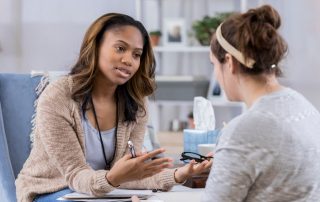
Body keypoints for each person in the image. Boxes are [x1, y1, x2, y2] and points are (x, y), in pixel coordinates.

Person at [15, 13, 212, 202]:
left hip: (105, 192)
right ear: (96, 47)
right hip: (51, 190)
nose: (129, 60)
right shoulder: (59, 96)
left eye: (137, 55)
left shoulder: (136, 102)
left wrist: (179, 174)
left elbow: (129, 174)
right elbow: (76, 175)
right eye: (120, 48)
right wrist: (113, 179)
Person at [202, 5, 320, 201]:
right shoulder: (305, 107)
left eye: (214, 64)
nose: (215, 74)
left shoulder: (244, 129)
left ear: (230, 62)